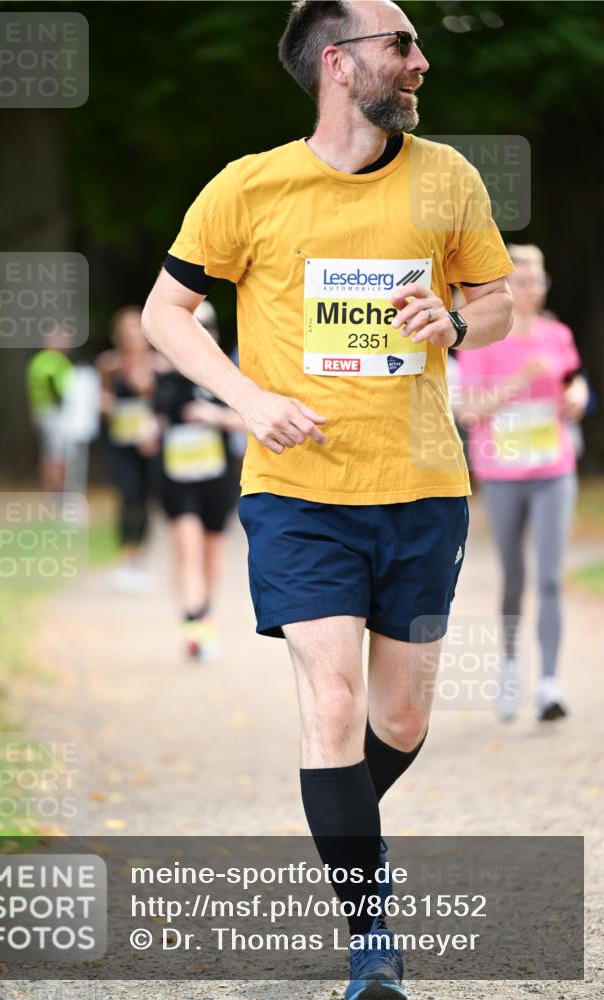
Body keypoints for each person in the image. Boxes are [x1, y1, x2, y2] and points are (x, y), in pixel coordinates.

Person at [142, 2, 513, 996]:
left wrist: (460, 319)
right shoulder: (249, 187)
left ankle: (336, 817)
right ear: (339, 64)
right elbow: (164, 311)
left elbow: (496, 294)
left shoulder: (447, 178)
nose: (422, 61)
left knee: (397, 719)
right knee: (335, 703)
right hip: (298, 491)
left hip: (425, 483)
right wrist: (250, 399)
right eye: (403, 44)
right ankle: (371, 943)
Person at [455, 244, 588, 723]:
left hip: (554, 469)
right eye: (523, 280)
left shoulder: (558, 334)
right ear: (507, 288)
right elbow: (468, 411)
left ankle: (550, 683)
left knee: (551, 576)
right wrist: (519, 382)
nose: (532, 287)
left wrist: (578, 393)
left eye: (537, 279)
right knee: (514, 577)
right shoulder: (482, 340)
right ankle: (510, 666)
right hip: (503, 470)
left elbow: (575, 380)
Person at [154, 300, 244, 661]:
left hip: (217, 477)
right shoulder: (165, 374)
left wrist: (214, 416)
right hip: (178, 477)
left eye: (208, 326)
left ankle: (204, 615)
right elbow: (153, 417)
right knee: (186, 549)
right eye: (194, 325)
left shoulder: (228, 375)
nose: (202, 332)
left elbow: (253, 418)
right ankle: (194, 621)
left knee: (213, 554)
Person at [97, 306, 167, 593]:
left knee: (146, 499)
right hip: (121, 442)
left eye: (136, 330)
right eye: (126, 331)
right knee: (127, 497)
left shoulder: (159, 364)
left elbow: (165, 405)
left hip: (149, 444)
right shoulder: (109, 365)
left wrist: (155, 429)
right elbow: (103, 399)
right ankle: (125, 560)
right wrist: (106, 405)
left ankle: (141, 561)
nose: (132, 337)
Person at [27, 327, 75, 492]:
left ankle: (53, 489)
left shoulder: (38, 360)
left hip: (42, 414)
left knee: (50, 453)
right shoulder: (53, 361)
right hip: (54, 415)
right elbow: (59, 389)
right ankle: (56, 491)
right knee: (56, 455)